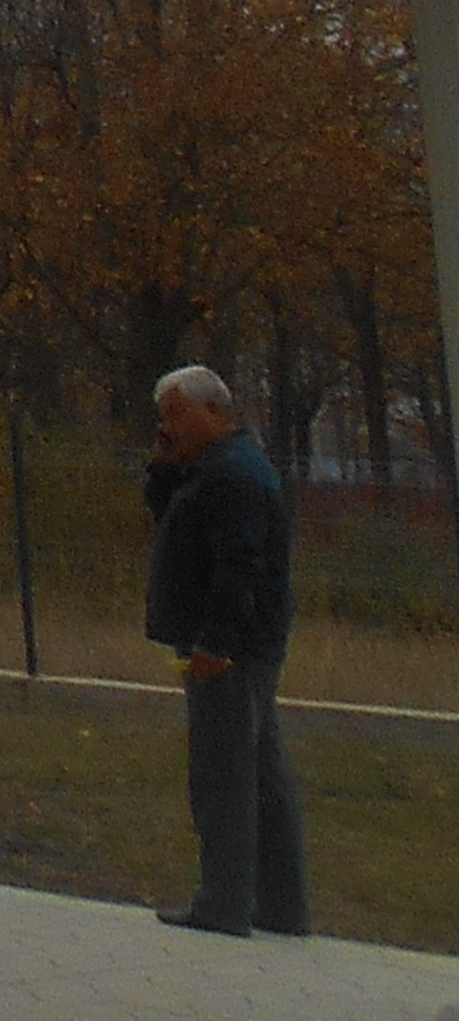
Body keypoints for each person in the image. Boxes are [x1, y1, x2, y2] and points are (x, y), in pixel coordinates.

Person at [141, 363, 309, 937]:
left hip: (232, 650)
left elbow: (239, 567)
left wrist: (217, 644)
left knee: (223, 774)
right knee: (260, 773)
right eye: (162, 417)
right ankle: (282, 907)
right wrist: (164, 466)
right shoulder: (212, 468)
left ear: (213, 410)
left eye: (177, 414)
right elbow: (165, 517)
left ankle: (223, 903)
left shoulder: (233, 474)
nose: (168, 427)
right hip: (243, 644)